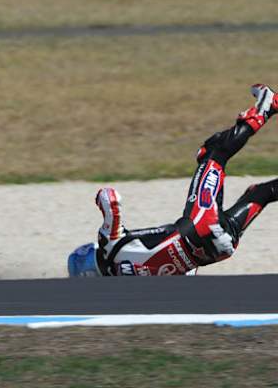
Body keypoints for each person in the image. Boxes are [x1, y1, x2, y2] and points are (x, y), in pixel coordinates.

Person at [69, 84, 278, 277]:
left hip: (220, 250)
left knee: (259, 193)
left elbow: (187, 275)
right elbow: (111, 199)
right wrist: (100, 200)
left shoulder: (133, 290)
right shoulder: (109, 249)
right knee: (213, 153)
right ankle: (266, 106)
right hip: (200, 226)